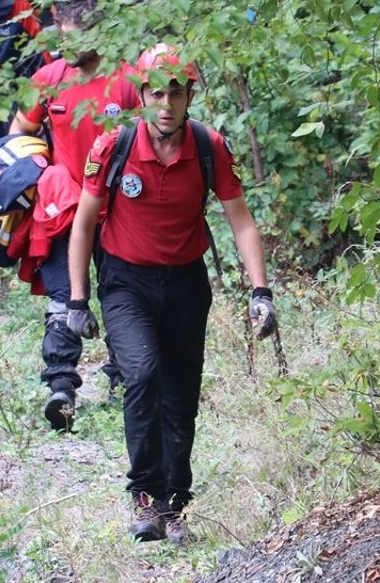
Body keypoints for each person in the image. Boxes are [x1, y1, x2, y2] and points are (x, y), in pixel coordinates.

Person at [65, 44, 278, 544]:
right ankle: (143, 496)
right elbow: (83, 223)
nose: (166, 104)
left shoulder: (208, 146)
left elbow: (241, 221)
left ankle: (174, 504)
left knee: (181, 395)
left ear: (189, 97)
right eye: (156, 93)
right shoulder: (114, 146)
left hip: (185, 283)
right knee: (142, 374)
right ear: (141, 95)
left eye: (176, 93)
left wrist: (261, 290)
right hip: (126, 282)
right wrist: (76, 300)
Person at [7, 0, 140, 432]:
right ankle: (61, 388)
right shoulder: (46, 80)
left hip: (119, 207)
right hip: (66, 205)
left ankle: (125, 379)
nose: (66, 49)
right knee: (64, 296)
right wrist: (34, 174)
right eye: (62, 39)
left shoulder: (126, 81)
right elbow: (20, 132)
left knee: (122, 293)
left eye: (76, 40)